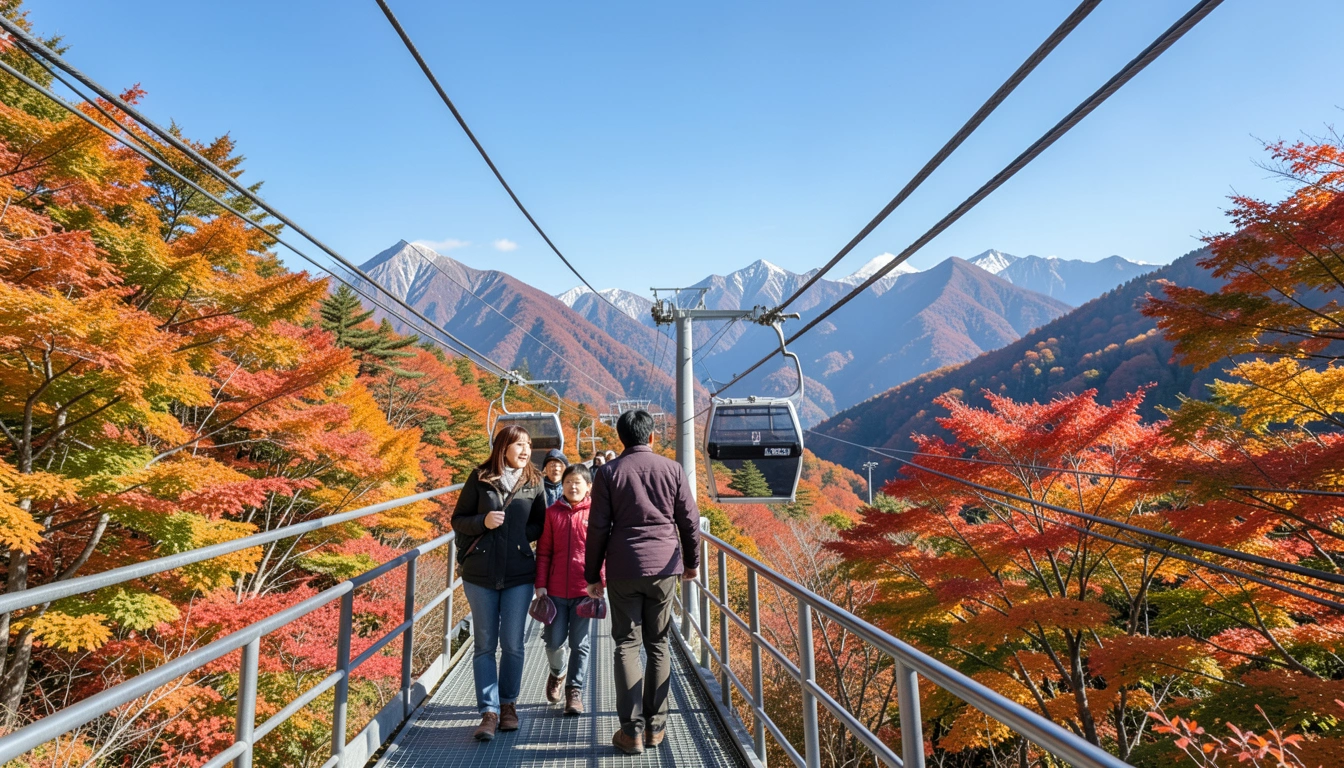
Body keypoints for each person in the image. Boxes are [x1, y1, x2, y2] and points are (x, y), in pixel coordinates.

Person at [585, 410, 700, 754]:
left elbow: (597, 528)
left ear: (621, 439)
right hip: (665, 567)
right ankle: (656, 727)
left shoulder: (607, 473)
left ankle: (631, 731)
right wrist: (691, 564)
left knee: (626, 645)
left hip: (623, 567)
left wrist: (593, 576)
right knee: (659, 644)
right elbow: (690, 522)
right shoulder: (673, 469)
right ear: (651, 437)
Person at [451, 425, 548, 741]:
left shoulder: (534, 482)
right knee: (484, 645)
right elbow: (458, 520)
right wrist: (483, 521)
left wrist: (521, 538)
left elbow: (540, 524)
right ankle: (488, 712)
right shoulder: (480, 478)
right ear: (503, 447)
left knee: (513, 644)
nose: (525, 450)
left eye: (529, 444)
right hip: (480, 575)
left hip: (519, 574)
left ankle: (509, 705)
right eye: (519, 444)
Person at [534, 463, 600, 716]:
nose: (573, 486)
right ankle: (557, 673)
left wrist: (600, 581)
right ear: (562, 485)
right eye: (569, 481)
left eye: (578, 482)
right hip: (555, 590)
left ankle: (574, 690)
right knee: (553, 642)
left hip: (585, 589)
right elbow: (544, 552)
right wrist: (540, 584)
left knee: (579, 643)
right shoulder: (552, 513)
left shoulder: (596, 514)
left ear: (589, 487)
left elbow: (602, 552)